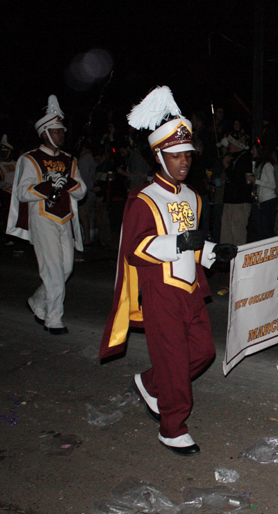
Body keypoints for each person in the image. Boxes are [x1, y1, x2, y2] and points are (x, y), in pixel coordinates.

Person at [99, 86, 237, 456]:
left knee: (204, 353)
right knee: (176, 364)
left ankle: (150, 383)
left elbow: (192, 245)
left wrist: (212, 251)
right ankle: (172, 426)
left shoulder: (193, 197)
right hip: (160, 291)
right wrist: (181, 242)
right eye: (175, 156)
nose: (183, 163)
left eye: (187, 157)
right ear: (159, 156)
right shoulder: (143, 199)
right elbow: (135, 248)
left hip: (191, 290)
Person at [6, 95, 87, 334]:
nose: (62, 135)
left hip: (65, 219)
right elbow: (22, 192)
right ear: (45, 133)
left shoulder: (69, 160)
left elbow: (81, 191)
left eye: (62, 131)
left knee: (66, 269)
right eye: (57, 131)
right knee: (52, 269)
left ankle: (38, 301)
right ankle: (53, 319)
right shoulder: (30, 158)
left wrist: (68, 181)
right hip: (42, 217)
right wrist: (48, 185)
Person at [220, 134, 254, 245]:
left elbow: (238, 179)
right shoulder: (234, 157)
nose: (228, 145)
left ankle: (239, 258)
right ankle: (227, 257)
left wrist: (226, 166)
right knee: (226, 233)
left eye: (230, 143)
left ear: (235, 144)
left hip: (239, 202)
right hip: (230, 201)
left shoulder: (245, 158)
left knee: (238, 233)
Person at [0, 135, 17, 243]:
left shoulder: (17, 163)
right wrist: (2, 184)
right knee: (6, 216)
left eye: (6, 151)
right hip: (5, 193)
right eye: (2, 151)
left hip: (17, 193)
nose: (4, 153)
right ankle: (8, 237)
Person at [249, 143, 278, 240]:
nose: (251, 152)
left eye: (254, 149)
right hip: (263, 201)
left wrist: (255, 181)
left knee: (267, 230)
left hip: (269, 200)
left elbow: (272, 185)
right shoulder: (260, 166)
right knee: (261, 229)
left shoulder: (267, 166)